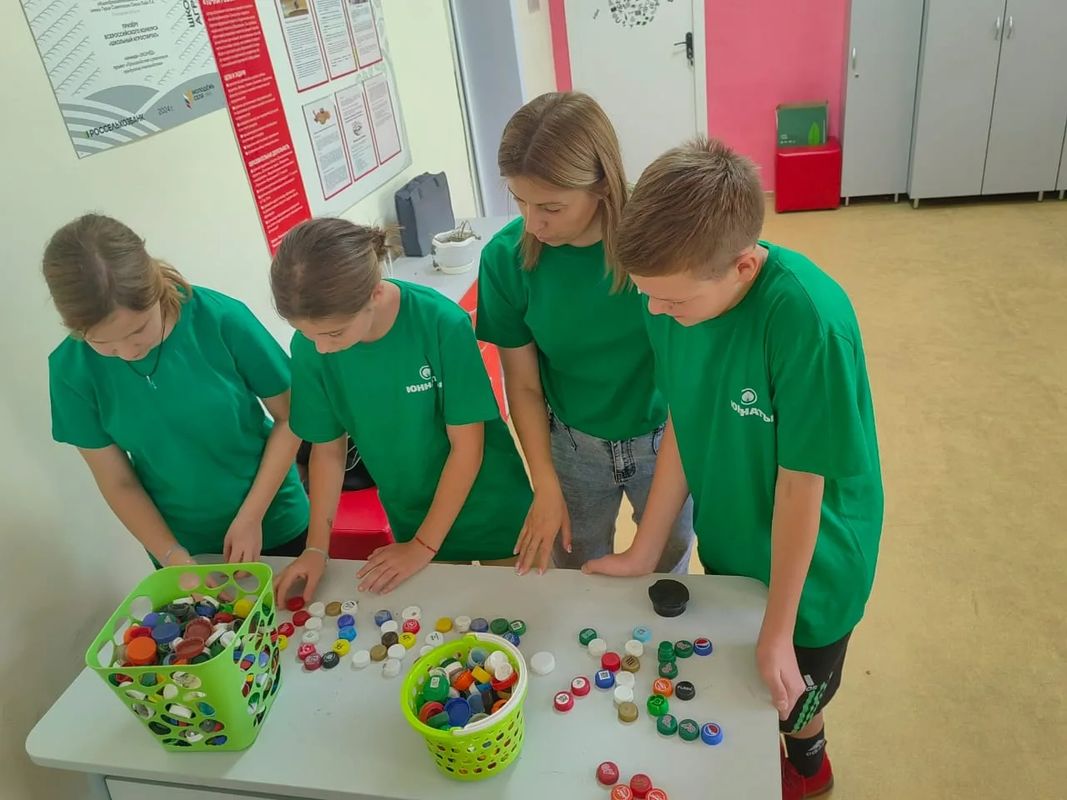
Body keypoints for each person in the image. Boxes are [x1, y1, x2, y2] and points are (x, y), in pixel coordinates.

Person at [584, 138, 884, 799]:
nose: (655, 312)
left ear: (743, 265)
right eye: (647, 297)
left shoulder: (809, 321)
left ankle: (810, 765)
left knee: (792, 695)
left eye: (671, 302)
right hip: (736, 543)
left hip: (815, 566)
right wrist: (644, 551)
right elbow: (686, 424)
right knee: (745, 684)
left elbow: (801, 487)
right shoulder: (667, 294)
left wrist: (778, 628)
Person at [476, 91, 694, 576]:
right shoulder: (505, 260)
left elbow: (693, 370)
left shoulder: (660, 245)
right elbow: (523, 386)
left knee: (667, 564)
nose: (533, 223)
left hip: (666, 438)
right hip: (570, 446)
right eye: (520, 201)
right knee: (577, 570)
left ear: (601, 185)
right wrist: (545, 482)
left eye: (551, 206)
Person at [269, 218, 532, 602]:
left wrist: (424, 545)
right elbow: (327, 450)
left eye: (334, 333)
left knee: (521, 611)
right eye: (309, 335)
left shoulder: (440, 323)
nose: (322, 347)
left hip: (492, 509)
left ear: (374, 293)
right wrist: (316, 549)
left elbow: (467, 447)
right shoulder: (311, 348)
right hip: (412, 515)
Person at [44, 214, 310, 568]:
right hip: (181, 546)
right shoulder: (70, 372)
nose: (127, 351)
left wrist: (251, 517)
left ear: (154, 291)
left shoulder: (220, 319)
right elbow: (117, 480)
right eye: (103, 343)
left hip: (273, 520)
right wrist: (172, 555)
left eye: (138, 330)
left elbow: (291, 416)